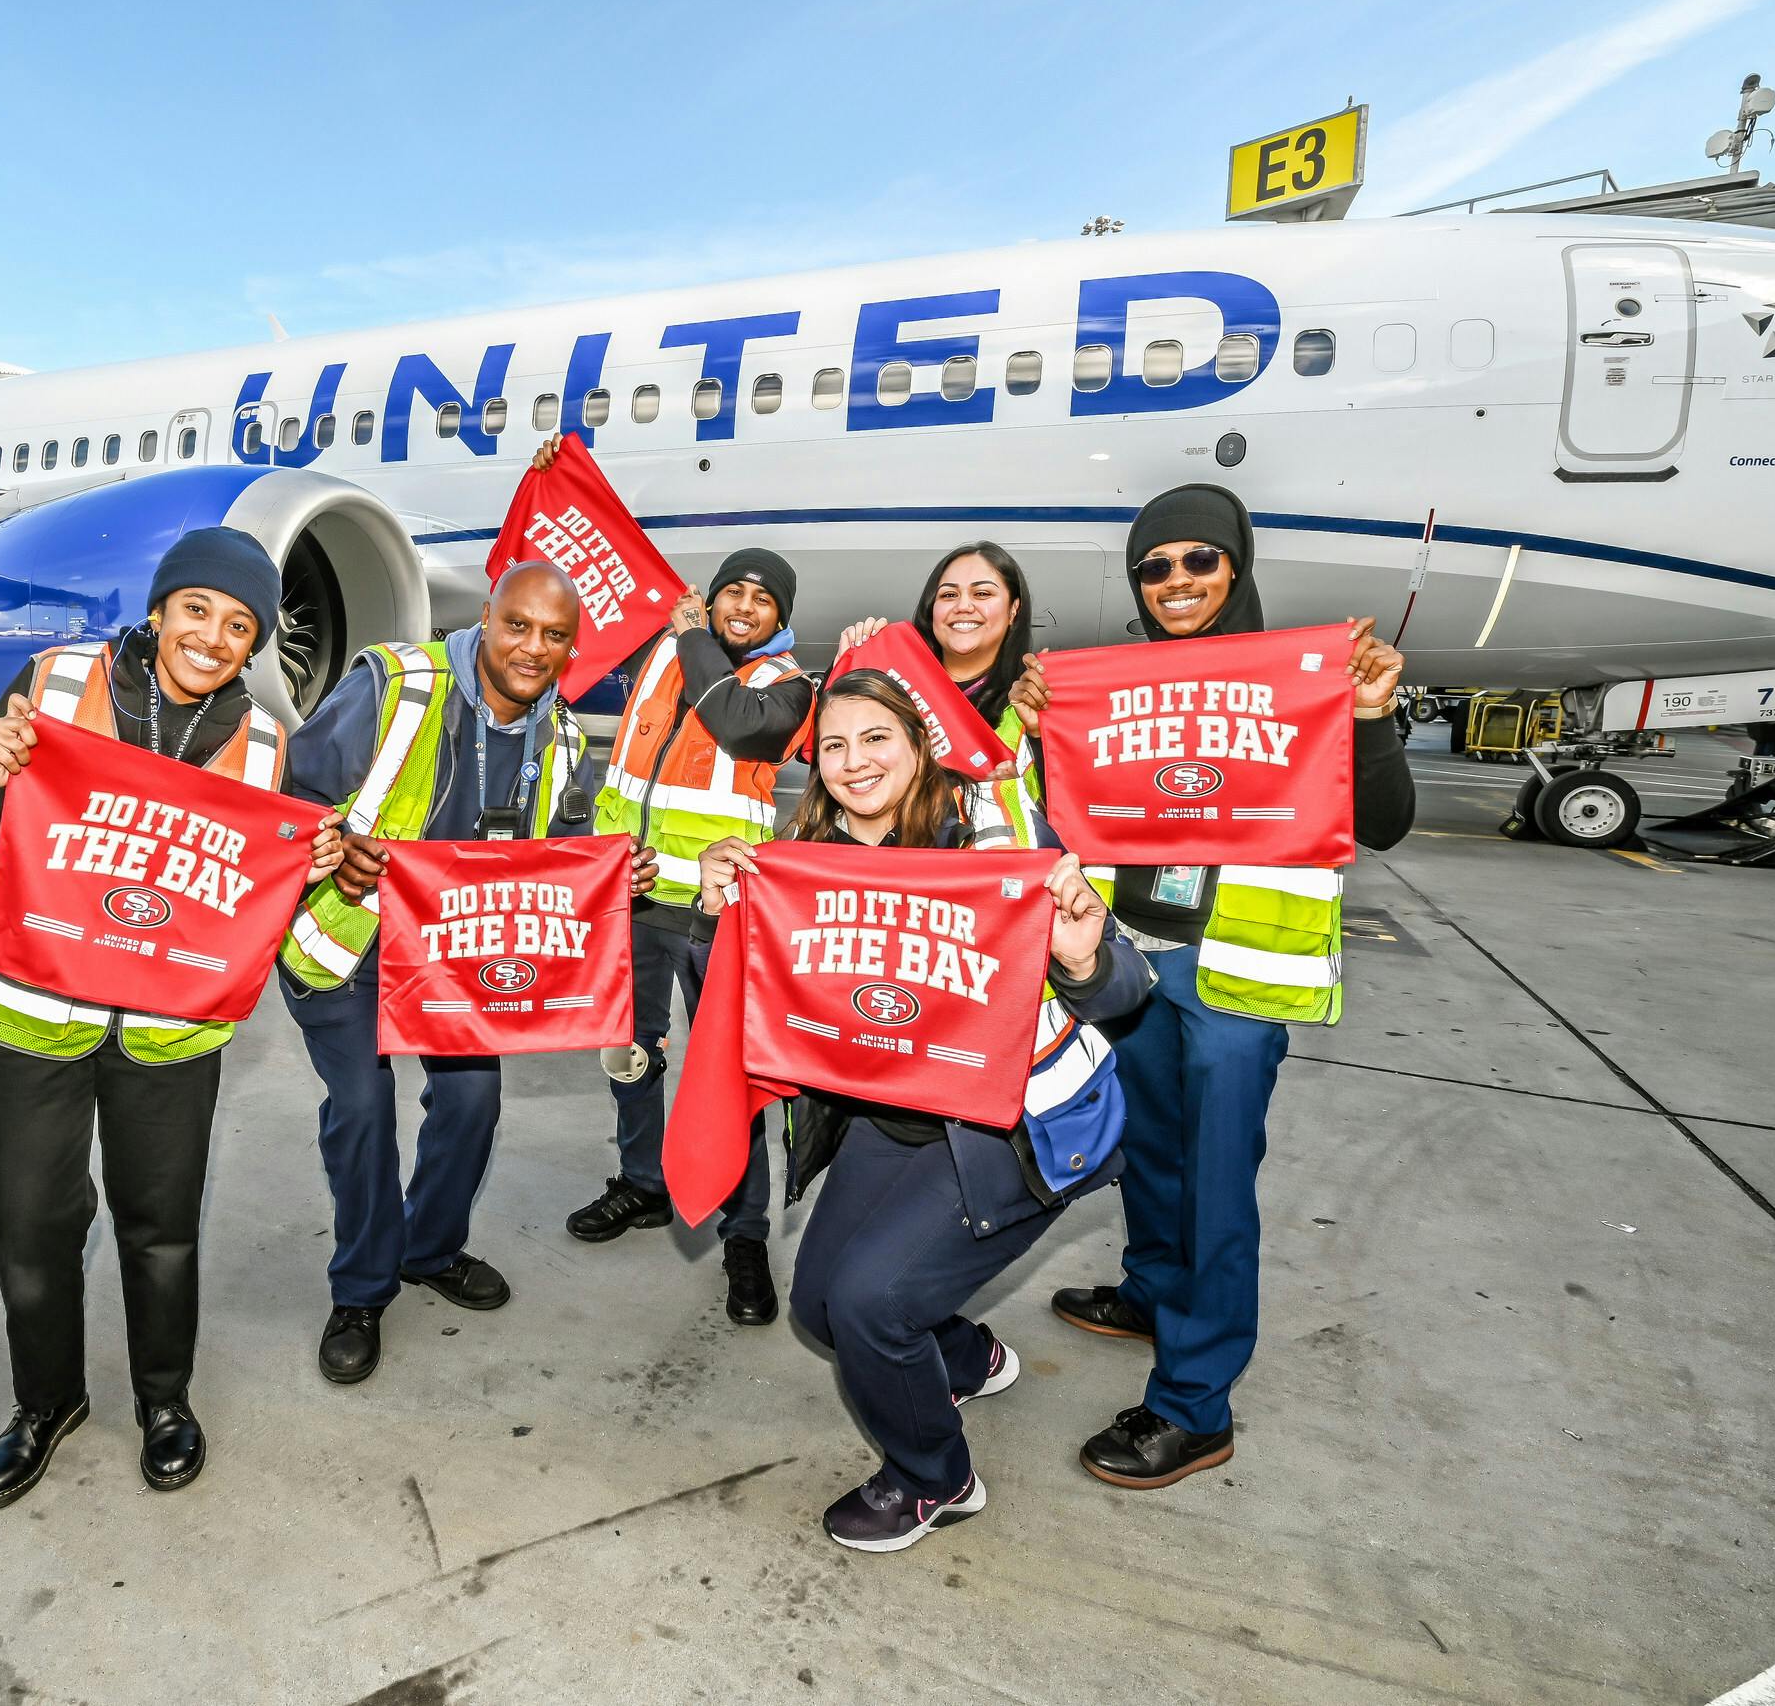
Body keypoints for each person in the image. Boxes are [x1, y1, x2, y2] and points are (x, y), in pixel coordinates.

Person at [1009, 483, 1414, 1488]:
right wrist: (1033, 729)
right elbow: (1062, 807)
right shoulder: (1115, 679)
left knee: (1216, 1179)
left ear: (1236, 566)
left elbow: (1388, 821)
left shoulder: (1307, 676)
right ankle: (1152, 1290)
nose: (1177, 581)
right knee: (1149, 1143)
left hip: (1238, 971)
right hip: (1139, 953)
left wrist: (1367, 717)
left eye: (1199, 560)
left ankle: (1194, 1405)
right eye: (1155, 566)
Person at [690, 672, 1151, 1551]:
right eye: (833, 745)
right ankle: (965, 1357)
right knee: (820, 1311)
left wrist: (1085, 956)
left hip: (1007, 1132)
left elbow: (1123, 985)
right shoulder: (805, 852)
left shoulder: (991, 833)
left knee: (871, 1304)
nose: (854, 761)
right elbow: (764, 999)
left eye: (876, 739)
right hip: (891, 1119)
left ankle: (935, 1479)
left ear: (916, 745)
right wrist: (722, 908)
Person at [0, 527, 345, 1509]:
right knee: (31, 1220)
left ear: (253, 643)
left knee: (160, 1224)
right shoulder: (55, 676)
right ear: (161, 608)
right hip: (34, 1011)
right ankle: (47, 1403)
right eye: (198, 608)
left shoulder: (262, 742)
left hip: (169, 1031)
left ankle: (165, 1400)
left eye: (239, 623)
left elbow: (249, 889)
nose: (213, 635)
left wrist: (313, 870)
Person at [276, 561, 658, 1384]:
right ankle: (363, 1288)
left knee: (473, 1101)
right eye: (518, 625)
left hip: (456, 959)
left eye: (555, 636)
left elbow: (566, 854)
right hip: (349, 941)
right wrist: (336, 846)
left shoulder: (559, 735)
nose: (533, 648)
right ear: (487, 616)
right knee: (364, 1110)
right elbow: (291, 794)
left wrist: (614, 875)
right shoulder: (395, 683)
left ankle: (430, 1246)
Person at [558, 443, 814, 1325]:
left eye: (762, 598)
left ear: (778, 615)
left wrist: (695, 632)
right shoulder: (664, 655)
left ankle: (746, 1238)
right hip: (635, 894)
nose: (745, 606)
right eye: (733, 589)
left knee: (726, 1078)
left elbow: (739, 730)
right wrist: (564, 471)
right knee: (629, 1054)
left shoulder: (788, 684)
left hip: (720, 911)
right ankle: (642, 1182)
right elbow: (593, 575)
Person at [836, 540, 1046, 846]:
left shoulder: (1032, 699)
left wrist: (1011, 789)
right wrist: (846, 672)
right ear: (931, 609)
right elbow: (831, 769)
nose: (963, 606)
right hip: (890, 877)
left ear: (1014, 609)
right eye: (949, 595)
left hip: (987, 880)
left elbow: (1069, 810)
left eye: (982, 593)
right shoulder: (888, 686)